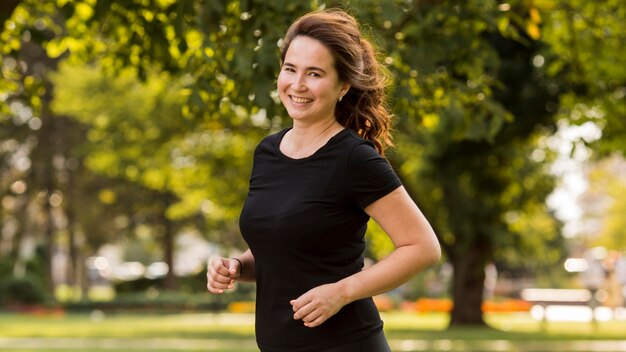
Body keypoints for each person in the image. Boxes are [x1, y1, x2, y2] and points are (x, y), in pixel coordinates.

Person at [207, 9, 441, 352]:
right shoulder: (267, 152)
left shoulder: (354, 158)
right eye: (290, 69)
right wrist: (237, 266)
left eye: (314, 74)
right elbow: (285, 248)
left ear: (343, 85)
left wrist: (342, 292)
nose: (297, 85)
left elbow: (422, 248)